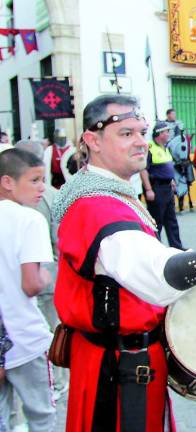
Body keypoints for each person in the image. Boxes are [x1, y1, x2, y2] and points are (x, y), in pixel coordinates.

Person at [53, 94, 196, 432]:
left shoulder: (112, 194)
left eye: (142, 131)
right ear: (92, 141)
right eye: (126, 133)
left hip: (130, 361)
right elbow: (156, 275)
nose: (141, 141)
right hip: (113, 371)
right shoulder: (94, 207)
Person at [0, 148, 57, 432]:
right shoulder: (29, 220)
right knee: (41, 416)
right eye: (34, 180)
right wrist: (45, 276)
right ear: (7, 182)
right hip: (23, 337)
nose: (42, 188)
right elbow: (31, 284)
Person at [140, 121, 184, 249]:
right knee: (156, 221)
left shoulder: (165, 148)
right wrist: (148, 189)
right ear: (159, 134)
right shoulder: (149, 148)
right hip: (156, 188)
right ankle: (155, 249)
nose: (169, 134)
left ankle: (177, 247)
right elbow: (143, 170)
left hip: (167, 188)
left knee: (171, 220)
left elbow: (165, 167)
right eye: (166, 132)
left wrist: (171, 181)